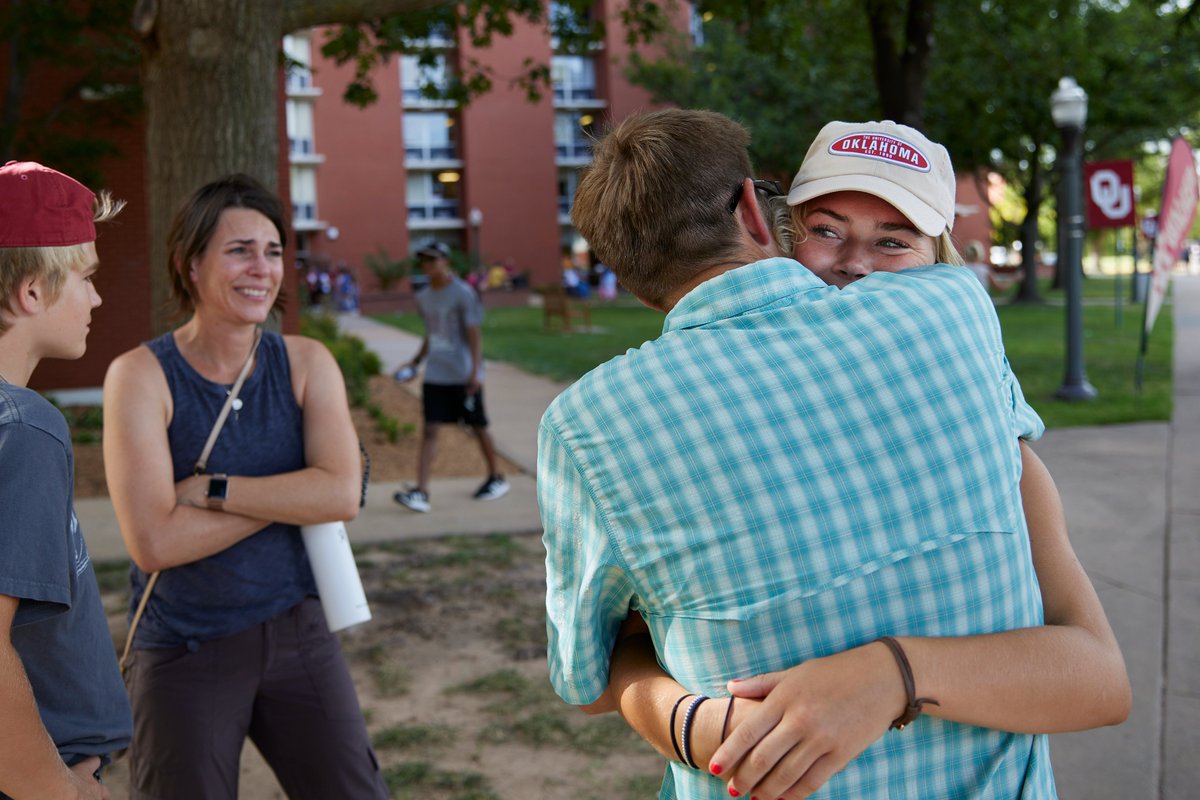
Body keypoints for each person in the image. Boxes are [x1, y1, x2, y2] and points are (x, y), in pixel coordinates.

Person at [539, 111, 1129, 800]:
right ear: (769, 224)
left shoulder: (592, 426)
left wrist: (890, 677)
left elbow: (1099, 680)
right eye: (826, 231)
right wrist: (689, 719)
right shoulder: (954, 312)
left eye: (895, 242)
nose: (856, 264)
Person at [102, 174, 388, 799]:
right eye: (239, 251)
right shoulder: (140, 377)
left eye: (274, 251)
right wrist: (295, 494)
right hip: (184, 645)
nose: (262, 268)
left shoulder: (307, 362)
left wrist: (212, 490)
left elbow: (341, 497)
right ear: (190, 263)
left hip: (298, 629)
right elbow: (153, 541)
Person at [0, 160, 132, 800]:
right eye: (85, 279)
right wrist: (62, 790)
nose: (97, 299)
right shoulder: (25, 429)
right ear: (32, 291)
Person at [393, 242, 508, 513]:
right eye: (424, 261)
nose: (428, 266)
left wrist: (476, 371)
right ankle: (421, 492)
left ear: (446, 261)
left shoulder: (463, 294)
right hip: (436, 373)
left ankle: (495, 477)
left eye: (433, 260)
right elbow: (433, 334)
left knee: (477, 426)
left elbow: (474, 335)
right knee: (430, 429)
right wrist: (416, 361)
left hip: (462, 373)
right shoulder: (423, 297)